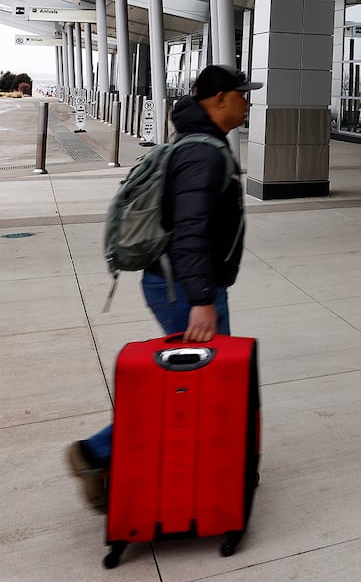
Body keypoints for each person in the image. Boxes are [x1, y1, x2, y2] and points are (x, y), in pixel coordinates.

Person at [66, 64, 260, 512]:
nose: (247, 101)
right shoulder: (204, 153)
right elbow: (188, 230)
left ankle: (212, 463)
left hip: (181, 283)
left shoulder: (200, 145)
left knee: (200, 383)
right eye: (241, 94)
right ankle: (97, 452)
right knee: (190, 384)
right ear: (219, 99)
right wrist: (201, 301)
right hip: (184, 287)